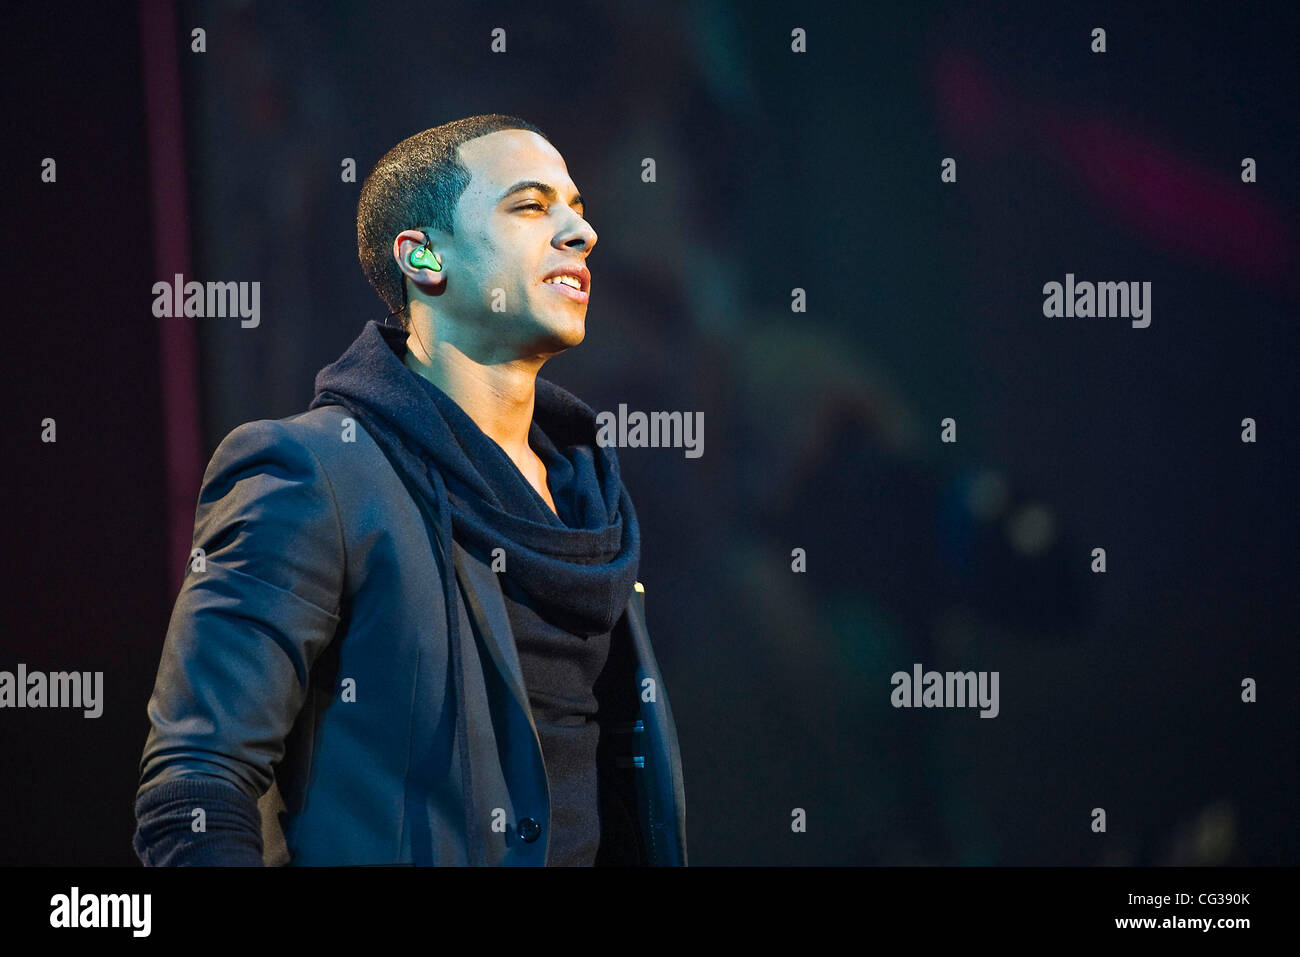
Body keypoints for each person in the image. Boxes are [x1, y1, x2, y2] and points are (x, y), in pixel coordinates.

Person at [131, 114, 687, 866]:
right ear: (423, 255)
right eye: (530, 205)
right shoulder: (314, 471)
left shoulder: (591, 502)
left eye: (577, 208)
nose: (579, 233)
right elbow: (196, 787)